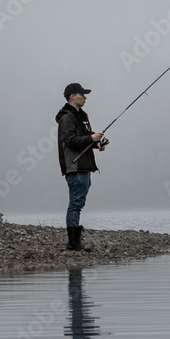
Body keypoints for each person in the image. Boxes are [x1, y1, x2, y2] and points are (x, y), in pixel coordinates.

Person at [55, 83, 107, 252]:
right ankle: (73, 242)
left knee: (78, 203)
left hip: (83, 166)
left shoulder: (79, 117)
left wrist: (96, 143)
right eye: (82, 94)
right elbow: (70, 141)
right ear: (72, 96)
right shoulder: (67, 118)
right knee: (76, 203)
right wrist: (91, 138)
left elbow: (83, 140)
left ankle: (75, 240)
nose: (85, 97)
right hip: (75, 166)